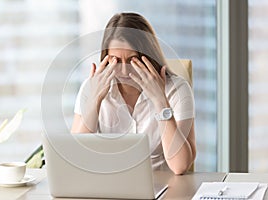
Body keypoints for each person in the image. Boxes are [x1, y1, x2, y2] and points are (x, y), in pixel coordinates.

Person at [71, 12, 196, 175]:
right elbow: (76, 157)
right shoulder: (92, 87)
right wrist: (94, 101)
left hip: (160, 189)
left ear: (149, 57)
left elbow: (180, 166)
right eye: (115, 60)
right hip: (106, 187)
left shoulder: (177, 90)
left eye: (132, 60)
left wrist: (160, 101)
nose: (123, 71)